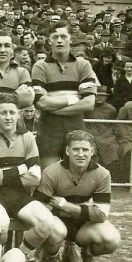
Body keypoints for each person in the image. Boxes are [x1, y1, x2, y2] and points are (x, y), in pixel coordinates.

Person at [0, 93, 68, 262]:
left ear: (19, 113)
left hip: (20, 196)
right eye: (4, 113)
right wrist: (20, 168)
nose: (8, 117)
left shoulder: (27, 137)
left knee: (49, 224)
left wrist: (1, 173)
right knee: (0, 224)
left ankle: (17, 260)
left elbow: (35, 177)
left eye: (12, 112)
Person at [34, 130, 120, 262]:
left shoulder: (102, 174)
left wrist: (66, 206)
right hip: (58, 222)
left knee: (111, 239)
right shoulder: (51, 172)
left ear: (92, 151)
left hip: (83, 224)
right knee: (50, 226)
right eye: (76, 149)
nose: (81, 154)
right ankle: (52, 256)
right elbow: (39, 208)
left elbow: (101, 215)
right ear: (67, 151)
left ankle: (87, 253)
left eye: (85, 149)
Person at [32, 21, 97, 169]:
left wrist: (54, 106)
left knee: (77, 176)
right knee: (49, 175)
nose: (59, 40)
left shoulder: (83, 65)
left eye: (63, 36)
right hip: (49, 128)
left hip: (75, 125)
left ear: (71, 39)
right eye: (55, 37)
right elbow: (41, 103)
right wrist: (72, 99)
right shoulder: (40, 66)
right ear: (50, 40)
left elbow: (88, 103)